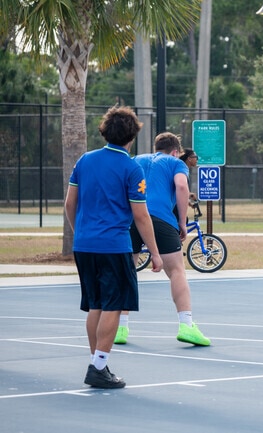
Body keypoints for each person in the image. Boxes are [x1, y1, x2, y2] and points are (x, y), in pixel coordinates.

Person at [64, 105, 163, 389]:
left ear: (104, 131)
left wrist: (79, 232)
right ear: (132, 136)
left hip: (85, 245)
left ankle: (99, 364)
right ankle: (97, 367)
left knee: (95, 304)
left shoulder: (84, 160)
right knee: (114, 305)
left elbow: (70, 204)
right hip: (114, 246)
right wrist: (155, 252)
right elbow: (141, 215)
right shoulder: (132, 168)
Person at [114, 132, 211, 346]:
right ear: (176, 152)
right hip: (160, 218)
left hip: (131, 217)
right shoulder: (176, 163)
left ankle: (120, 327)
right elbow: (182, 186)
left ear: (155, 147)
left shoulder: (136, 159)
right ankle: (186, 325)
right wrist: (182, 222)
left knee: (127, 269)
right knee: (176, 270)